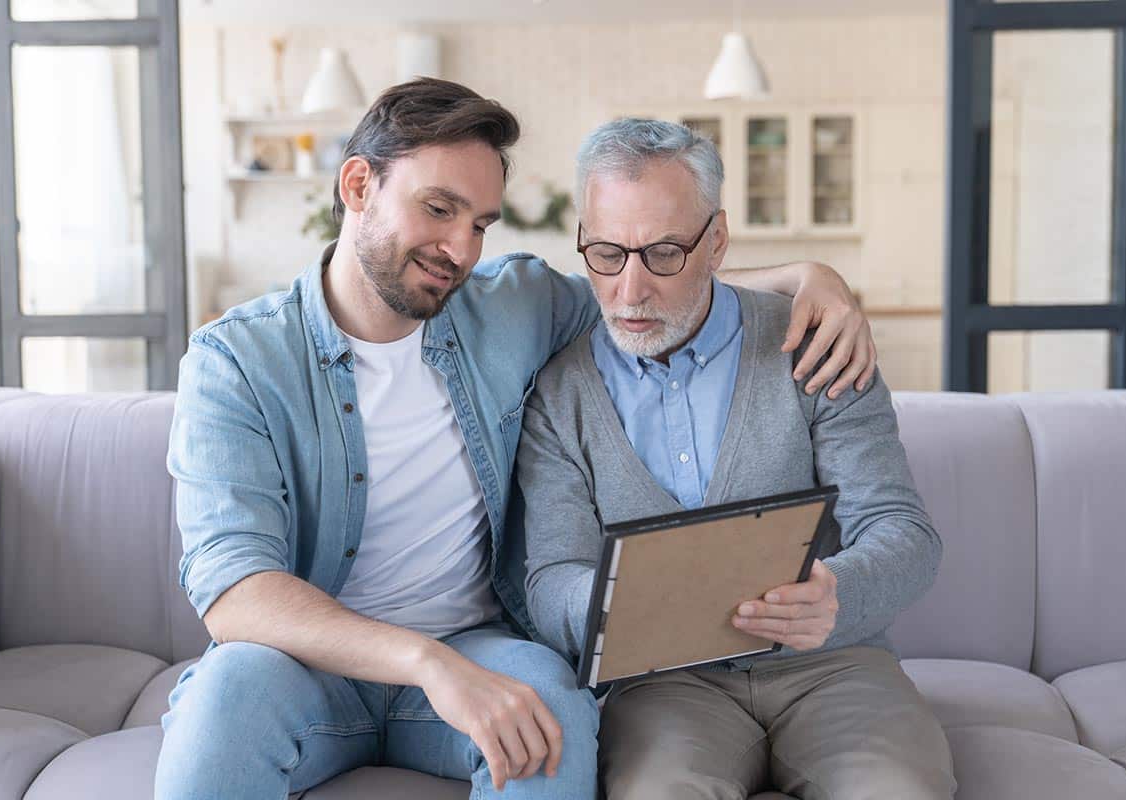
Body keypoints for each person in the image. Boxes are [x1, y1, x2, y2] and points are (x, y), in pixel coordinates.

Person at [155, 79, 878, 800]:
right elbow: (233, 588)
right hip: (305, 669)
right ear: (357, 185)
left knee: (551, 708)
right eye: (439, 209)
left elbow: (646, 283)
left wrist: (810, 276)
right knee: (224, 696)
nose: (460, 249)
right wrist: (428, 663)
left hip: (479, 644)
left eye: (481, 224)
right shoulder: (237, 361)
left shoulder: (510, 307)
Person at [516, 117, 956, 799]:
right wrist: (617, 602)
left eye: (664, 253)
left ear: (717, 240)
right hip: (666, 687)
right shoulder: (559, 391)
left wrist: (836, 595)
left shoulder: (816, 343)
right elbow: (549, 581)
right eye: (605, 253)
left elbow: (906, 534)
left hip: (835, 665)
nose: (630, 291)